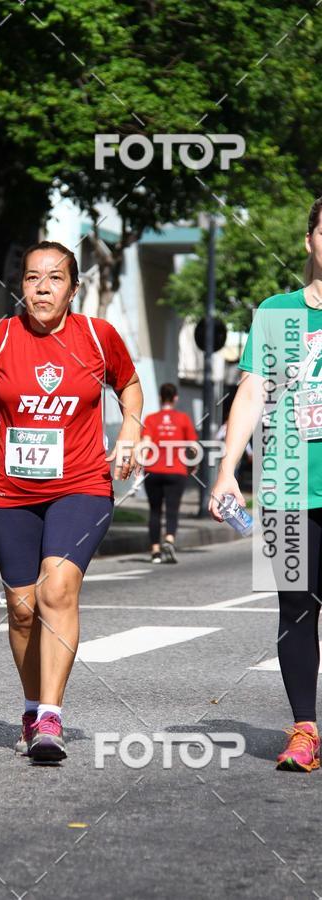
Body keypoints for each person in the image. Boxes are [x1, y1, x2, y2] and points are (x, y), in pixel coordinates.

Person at [0, 240, 143, 762]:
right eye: (32, 278)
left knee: (58, 588)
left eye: (54, 278)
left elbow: (130, 385)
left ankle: (51, 715)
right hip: (9, 491)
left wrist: (130, 434)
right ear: (21, 286)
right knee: (22, 608)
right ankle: (31, 707)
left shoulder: (98, 337)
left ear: (73, 289)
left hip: (81, 485)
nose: (42, 287)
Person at [209, 196, 322, 772]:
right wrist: (228, 468)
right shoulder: (276, 313)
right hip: (286, 481)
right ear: (311, 241)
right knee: (296, 608)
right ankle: (305, 729)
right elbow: (252, 391)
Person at [141, 383, 199, 563]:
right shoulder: (183, 419)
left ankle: (155, 552)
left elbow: (145, 444)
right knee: (172, 509)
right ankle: (169, 540)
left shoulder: (151, 419)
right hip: (176, 470)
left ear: (160, 397)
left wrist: (140, 464)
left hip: (153, 470)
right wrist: (193, 465)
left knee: (155, 510)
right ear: (175, 398)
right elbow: (193, 447)